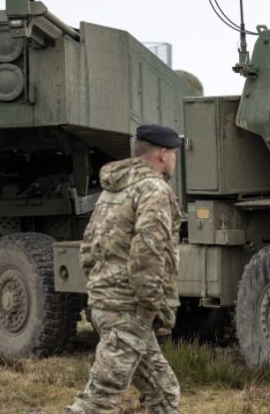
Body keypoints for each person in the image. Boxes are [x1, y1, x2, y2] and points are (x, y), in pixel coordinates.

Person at [66, 124, 184, 414]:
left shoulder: (113, 189)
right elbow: (148, 251)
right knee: (99, 399)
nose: (175, 160)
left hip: (106, 304)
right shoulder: (154, 189)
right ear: (163, 153)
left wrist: (102, 288)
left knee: (163, 391)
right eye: (174, 154)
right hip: (128, 309)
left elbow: (89, 248)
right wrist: (147, 308)